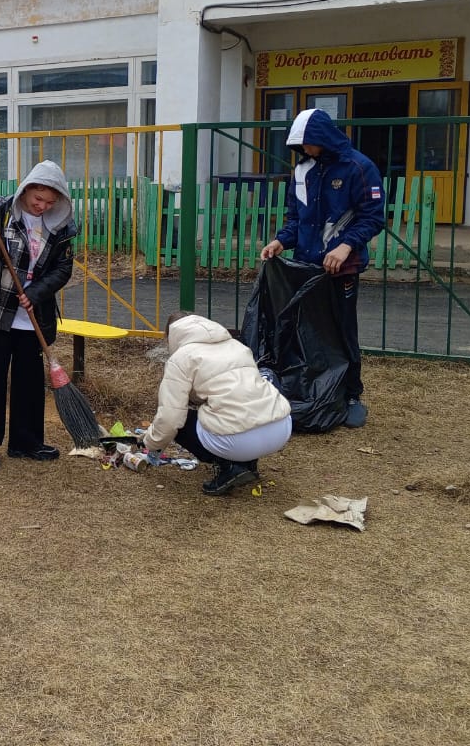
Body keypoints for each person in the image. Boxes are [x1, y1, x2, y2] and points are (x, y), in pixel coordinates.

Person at [260, 108, 384, 428]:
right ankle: (317, 389)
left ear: (324, 138)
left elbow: (373, 217)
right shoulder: (302, 171)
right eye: (300, 146)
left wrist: (345, 246)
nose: (305, 151)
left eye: (310, 144)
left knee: (342, 330)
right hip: (306, 266)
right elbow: (296, 219)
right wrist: (280, 241)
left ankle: (352, 394)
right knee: (308, 331)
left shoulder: (359, 167)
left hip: (342, 268)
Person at [0, 160, 78, 469]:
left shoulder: (61, 226)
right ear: (26, 190)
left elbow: (64, 269)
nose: (42, 206)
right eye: (38, 199)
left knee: (29, 381)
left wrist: (35, 294)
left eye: (50, 202)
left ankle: (26, 442)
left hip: (33, 316)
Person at [143, 312, 293, 495]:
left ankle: (229, 466)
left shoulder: (181, 358)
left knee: (181, 422)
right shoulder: (236, 346)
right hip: (280, 428)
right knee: (242, 406)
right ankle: (248, 464)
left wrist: (149, 443)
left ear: (172, 336)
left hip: (239, 440)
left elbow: (169, 419)